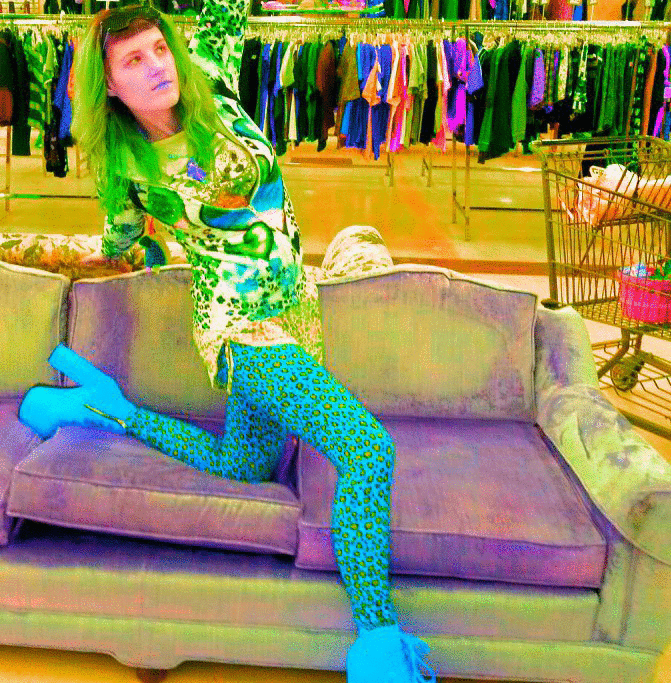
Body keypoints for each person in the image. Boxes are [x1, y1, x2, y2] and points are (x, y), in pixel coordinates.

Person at [17, 4, 435, 682]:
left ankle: (106, 409)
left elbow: (225, 9)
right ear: (110, 86)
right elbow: (120, 245)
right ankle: (380, 645)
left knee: (244, 465)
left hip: (296, 307)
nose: (156, 66)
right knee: (366, 449)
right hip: (240, 329)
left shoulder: (208, 72)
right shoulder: (126, 168)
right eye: (133, 60)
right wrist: (32, 250)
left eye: (159, 49)